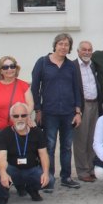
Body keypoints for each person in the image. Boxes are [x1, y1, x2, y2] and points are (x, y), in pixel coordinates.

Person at [31, 33, 82, 191]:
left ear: (69, 48)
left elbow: (77, 88)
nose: (63, 47)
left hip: (68, 112)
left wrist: (78, 111)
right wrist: (38, 109)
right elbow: (34, 88)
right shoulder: (43, 63)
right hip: (49, 112)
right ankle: (49, 177)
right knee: (50, 146)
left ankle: (66, 177)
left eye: (66, 45)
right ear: (55, 45)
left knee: (67, 146)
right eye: (60, 44)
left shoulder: (72, 66)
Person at [0, 55, 35, 202]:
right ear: (1, 70)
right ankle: (3, 193)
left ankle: (20, 185)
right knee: (2, 162)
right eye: (5, 67)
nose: (9, 69)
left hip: (18, 130)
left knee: (18, 159)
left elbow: (30, 104)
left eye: (12, 66)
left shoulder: (23, 85)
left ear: (16, 68)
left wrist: (25, 116)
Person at [0, 102, 50, 204]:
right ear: (11, 118)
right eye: (16, 116)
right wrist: (2, 174)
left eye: (23, 115)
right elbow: (1, 157)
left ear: (28, 117)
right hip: (13, 169)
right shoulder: (4, 134)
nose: (20, 118)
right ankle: (3, 196)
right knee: (1, 169)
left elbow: (43, 155)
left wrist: (46, 173)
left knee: (50, 180)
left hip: (31, 169)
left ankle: (32, 189)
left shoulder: (37, 132)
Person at [73, 40, 103, 183]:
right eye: (84, 49)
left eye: (89, 50)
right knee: (81, 140)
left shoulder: (92, 65)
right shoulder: (72, 66)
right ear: (78, 51)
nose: (86, 52)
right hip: (82, 106)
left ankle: (92, 169)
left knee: (93, 139)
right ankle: (83, 171)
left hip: (95, 104)